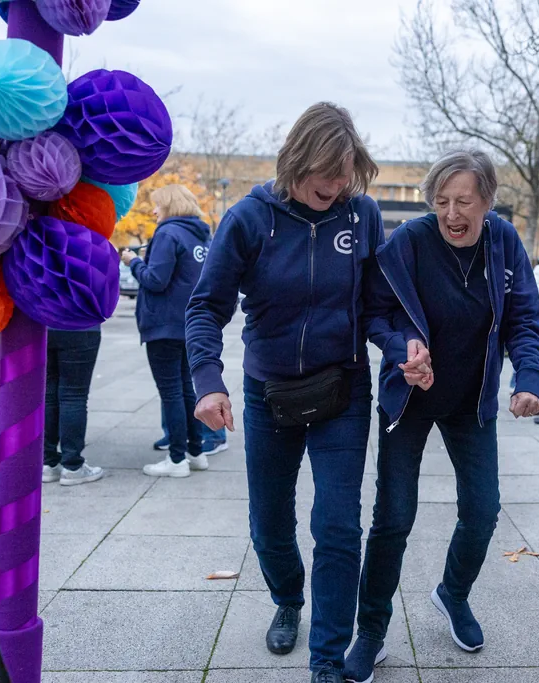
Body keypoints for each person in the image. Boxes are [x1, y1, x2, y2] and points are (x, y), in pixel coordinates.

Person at [186, 102, 382, 683]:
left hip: (343, 389)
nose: (340, 184)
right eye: (330, 172)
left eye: (348, 172)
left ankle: (327, 659)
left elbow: (376, 305)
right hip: (270, 391)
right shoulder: (249, 219)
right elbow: (205, 306)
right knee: (269, 523)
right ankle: (288, 598)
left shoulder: (362, 215)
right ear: (297, 160)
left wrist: (405, 349)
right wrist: (206, 382)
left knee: (339, 523)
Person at [344, 149, 539, 683]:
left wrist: (530, 378)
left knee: (482, 511)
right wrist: (401, 345)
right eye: (441, 201)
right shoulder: (409, 241)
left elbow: (525, 317)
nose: (452, 213)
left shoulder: (503, 242)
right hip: (410, 398)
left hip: (470, 401)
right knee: (394, 517)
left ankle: (452, 595)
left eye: (464, 201)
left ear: (488, 202)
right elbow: (376, 313)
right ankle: (371, 630)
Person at [122, 184, 213, 478]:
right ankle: (195, 451)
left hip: (163, 325)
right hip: (190, 324)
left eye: (157, 205)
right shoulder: (198, 234)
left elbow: (156, 280)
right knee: (188, 389)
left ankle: (176, 460)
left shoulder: (167, 233)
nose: (153, 211)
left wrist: (134, 261)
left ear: (170, 205)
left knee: (171, 392)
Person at [42, 327, 105, 485]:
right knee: (74, 395)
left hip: (45, 323)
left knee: (48, 394)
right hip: (81, 323)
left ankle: (48, 462)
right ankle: (72, 466)